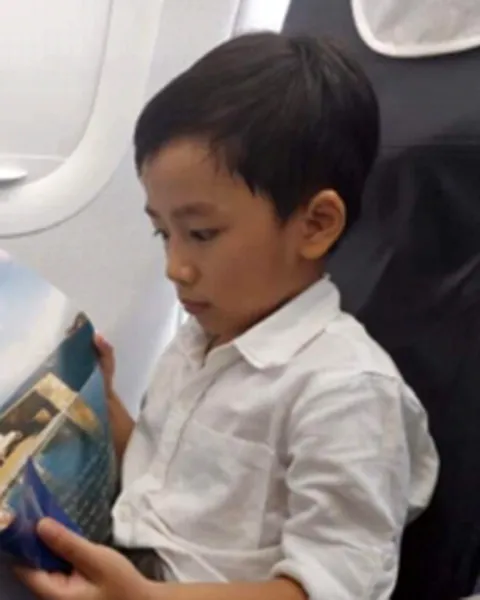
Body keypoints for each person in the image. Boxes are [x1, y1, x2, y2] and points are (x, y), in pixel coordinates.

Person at [16, 32, 438, 600]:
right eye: (162, 233)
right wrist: (101, 404)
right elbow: (166, 482)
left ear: (315, 225)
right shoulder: (201, 339)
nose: (175, 267)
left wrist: (145, 599)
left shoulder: (347, 394)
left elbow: (331, 587)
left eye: (201, 234)